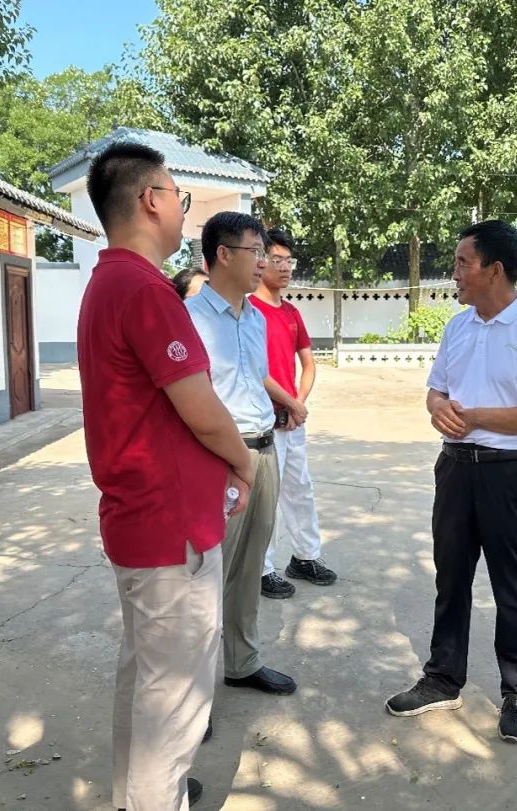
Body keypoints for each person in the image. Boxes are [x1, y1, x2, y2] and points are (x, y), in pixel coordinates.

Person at [77, 142, 254, 811]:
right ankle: (156, 797)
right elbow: (200, 409)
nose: (183, 209)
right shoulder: (146, 289)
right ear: (151, 200)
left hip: (141, 519)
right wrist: (243, 461)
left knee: (148, 683)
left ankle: (138, 796)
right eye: (179, 195)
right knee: (174, 700)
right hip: (168, 526)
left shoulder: (108, 283)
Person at [385, 220, 517, 744]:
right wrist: (439, 409)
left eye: (462, 263)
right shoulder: (458, 327)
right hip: (454, 469)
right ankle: (442, 678)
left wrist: (476, 418)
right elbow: (436, 392)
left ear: (494, 269)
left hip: (510, 473)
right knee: (451, 577)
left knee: (513, 583)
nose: (454, 273)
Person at [185, 211, 302, 698]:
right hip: (221, 459)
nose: (263, 262)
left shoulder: (255, 319)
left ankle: (242, 661)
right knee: (209, 573)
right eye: (255, 252)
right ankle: (192, 692)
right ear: (223, 255)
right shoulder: (189, 319)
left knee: (252, 565)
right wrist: (231, 459)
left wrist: (287, 403)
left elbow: (254, 379)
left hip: (265, 450)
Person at [250, 227, 337, 599]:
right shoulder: (248, 311)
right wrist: (290, 404)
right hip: (263, 419)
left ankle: (305, 556)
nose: (285, 267)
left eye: (289, 261)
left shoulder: (290, 312)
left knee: (300, 489)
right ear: (260, 260)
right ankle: (261, 569)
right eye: (277, 260)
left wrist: (298, 404)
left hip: (292, 419)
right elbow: (256, 370)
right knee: (265, 497)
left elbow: (308, 363)